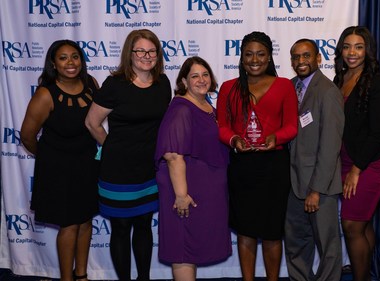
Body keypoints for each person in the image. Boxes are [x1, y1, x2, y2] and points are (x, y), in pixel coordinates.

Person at [85, 29, 171, 281]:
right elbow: (92, 123)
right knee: (121, 228)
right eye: (140, 51)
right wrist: (113, 148)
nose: (147, 56)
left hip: (149, 169)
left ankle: (143, 278)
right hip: (118, 171)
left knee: (144, 225)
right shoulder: (115, 85)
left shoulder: (162, 83)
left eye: (152, 51)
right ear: (129, 54)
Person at [216, 31, 298, 281]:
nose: (254, 59)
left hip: (274, 166)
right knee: (246, 230)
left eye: (260, 54)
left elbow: (292, 125)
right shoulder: (229, 87)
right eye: (249, 54)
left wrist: (277, 138)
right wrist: (234, 140)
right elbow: (222, 126)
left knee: (272, 232)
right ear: (241, 58)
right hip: (242, 166)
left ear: (269, 56)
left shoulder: (284, 85)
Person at [20, 40, 99, 281]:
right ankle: (67, 279)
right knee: (69, 224)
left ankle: (82, 275)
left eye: (75, 56)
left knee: (85, 220)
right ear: (53, 63)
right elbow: (27, 136)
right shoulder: (46, 94)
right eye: (63, 58)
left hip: (87, 163)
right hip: (58, 168)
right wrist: (49, 157)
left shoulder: (92, 85)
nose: (70, 63)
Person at [154, 56, 232, 281]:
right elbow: (173, 155)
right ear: (184, 82)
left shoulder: (207, 106)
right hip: (186, 191)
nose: (201, 80)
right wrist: (181, 195)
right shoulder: (181, 109)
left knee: (192, 245)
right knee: (183, 248)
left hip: (204, 189)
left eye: (205, 74)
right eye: (194, 76)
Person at [333, 26, 380, 281]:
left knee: (351, 224)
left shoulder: (378, 82)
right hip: (347, 160)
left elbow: (378, 132)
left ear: (367, 50)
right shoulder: (339, 79)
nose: (352, 52)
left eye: (358, 47)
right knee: (363, 223)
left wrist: (357, 170)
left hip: (372, 162)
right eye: (347, 46)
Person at [284, 38, 344, 281]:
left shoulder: (328, 92)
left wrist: (316, 190)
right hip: (293, 183)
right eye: (296, 57)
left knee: (328, 246)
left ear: (318, 58)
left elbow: (330, 146)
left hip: (321, 186)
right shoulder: (289, 87)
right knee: (295, 242)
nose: (301, 61)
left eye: (306, 55)